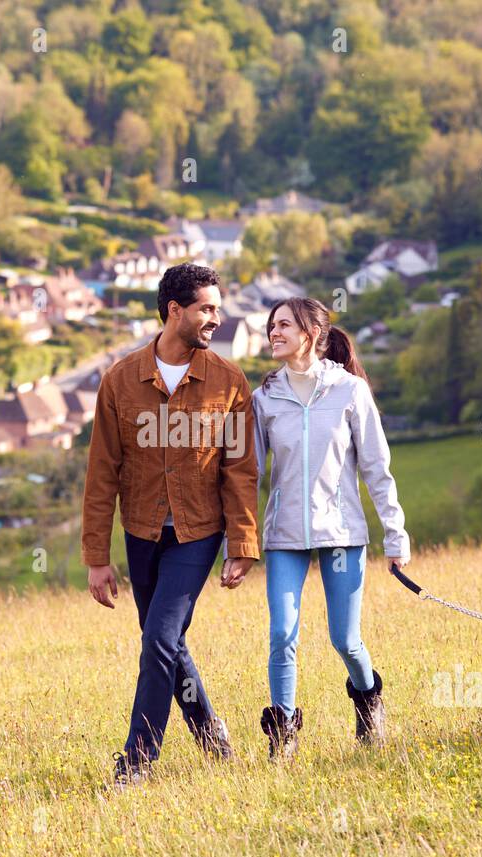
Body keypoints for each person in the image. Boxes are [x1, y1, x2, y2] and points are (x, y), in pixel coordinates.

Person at [81, 262, 259, 786]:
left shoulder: (228, 382)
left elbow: (240, 470)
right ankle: (208, 731)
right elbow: (101, 473)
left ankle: (137, 760)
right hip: (140, 532)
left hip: (197, 533)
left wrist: (242, 542)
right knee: (167, 642)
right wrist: (97, 556)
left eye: (218, 308)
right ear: (174, 310)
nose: (216, 318)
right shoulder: (120, 380)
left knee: (159, 637)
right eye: (206, 308)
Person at [251, 297, 410, 759]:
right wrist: (233, 541)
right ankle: (283, 734)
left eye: (284, 324)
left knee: (345, 639)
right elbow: (249, 475)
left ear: (312, 333)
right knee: (282, 633)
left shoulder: (350, 392)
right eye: (271, 325)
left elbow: (378, 470)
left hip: (341, 534)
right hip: (284, 535)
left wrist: (396, 535)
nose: (274, 332)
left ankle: (368, 700)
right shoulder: (264, 399)